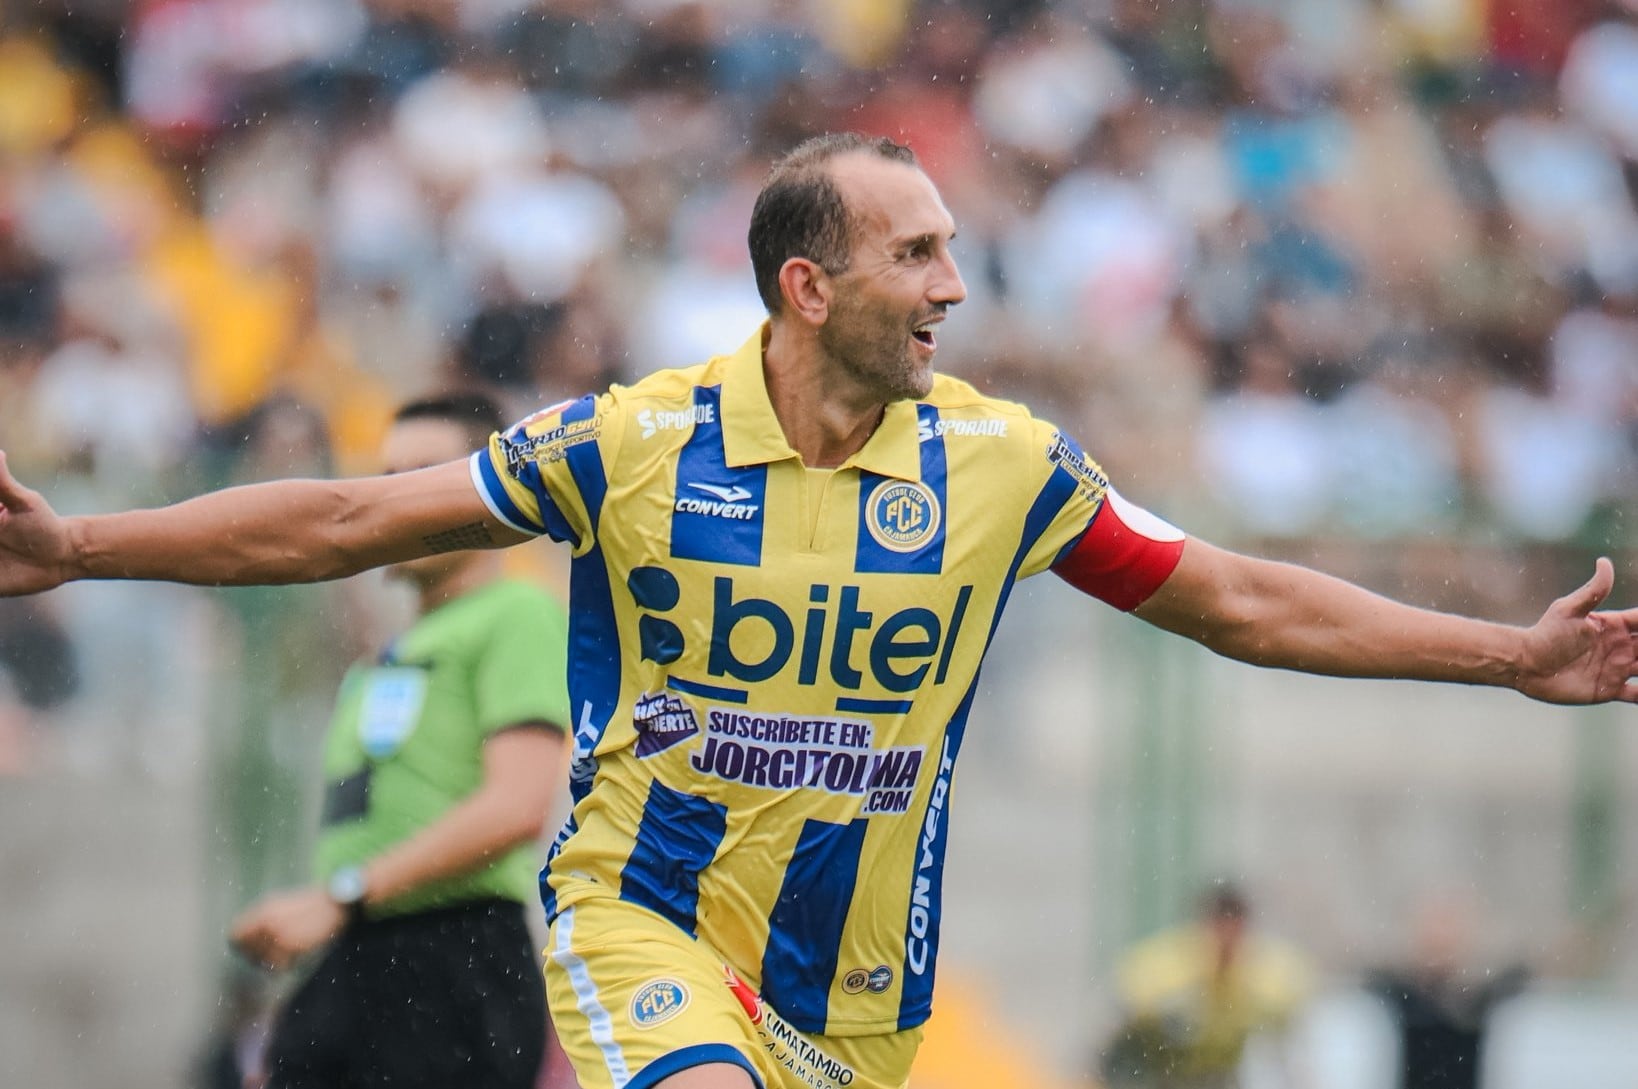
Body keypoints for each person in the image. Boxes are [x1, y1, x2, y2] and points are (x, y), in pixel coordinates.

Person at [1, 133, 1636, 1089]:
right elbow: (350, 514)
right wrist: (80, 541)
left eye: (952, 250)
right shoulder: (634, 441)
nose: (952, 285)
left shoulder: (1007, 466)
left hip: (855, 995)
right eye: (915, 252)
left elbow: (1242, 600)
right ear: (808, 284)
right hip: (636, 917)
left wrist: (1508, 653)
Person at [225, 392, 570, 1089]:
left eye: (426, 473)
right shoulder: (387, 655)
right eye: (388, 477)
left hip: (454, 957)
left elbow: (517, 806)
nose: (401, 497)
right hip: (361, 951)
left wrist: (341, 895)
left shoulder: (516, 613)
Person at [1100, 883, 1313, 1089]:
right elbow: (1115, 1019)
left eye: (1235, 927)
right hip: (1161, 1073)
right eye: (1219, 926)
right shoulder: (1166, 971)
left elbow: (1294, 1039)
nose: (1226, 938)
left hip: (1222, 1076)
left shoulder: (1265, 976)